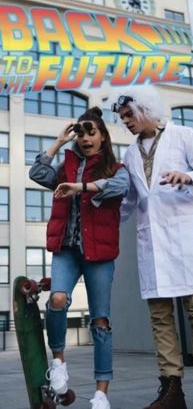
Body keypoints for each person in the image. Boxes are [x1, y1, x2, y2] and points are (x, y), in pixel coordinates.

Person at [111, 86, 193, 409]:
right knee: (160, 317)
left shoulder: (184, 135)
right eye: (122, 118)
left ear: (147, 109)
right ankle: (171, 389)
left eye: (130, 115)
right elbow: (131, 201)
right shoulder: (130, 154)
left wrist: (187, 178)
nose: (126, 122)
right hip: (152, 243)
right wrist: (104, 221)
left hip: (184, 239)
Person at [29, 107, 130, 409]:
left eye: (91, 132)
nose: (85, 138)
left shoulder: (114, 167)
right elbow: (37, 173)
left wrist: (81, 188)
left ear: (102, 136)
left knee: (100, 321)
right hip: (67, 250)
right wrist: (58, 142)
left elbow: (122, 187)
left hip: (99, 255)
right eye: (80, 132)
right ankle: (58, 363)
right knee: (58, 299)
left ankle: (101, 394)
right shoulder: (66, 167)